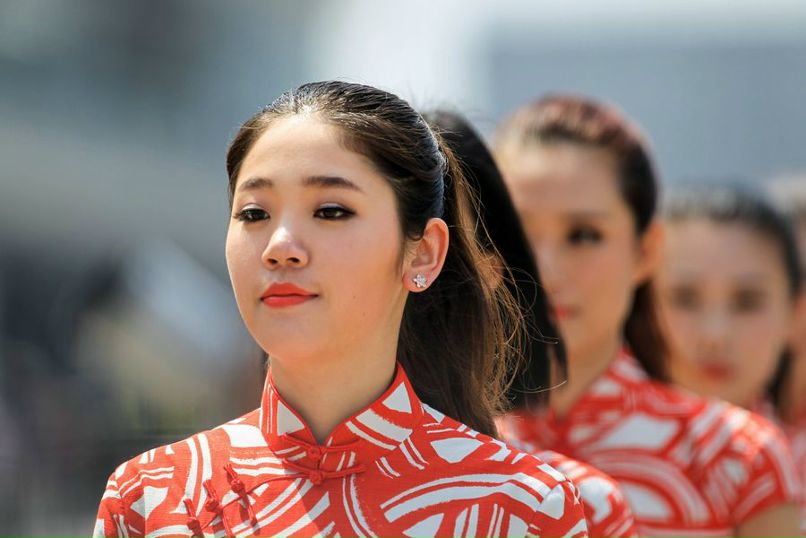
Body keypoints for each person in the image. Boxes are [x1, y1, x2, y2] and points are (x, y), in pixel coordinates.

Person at [92, 81, 588, 538]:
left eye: (331, 211)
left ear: (423, 253)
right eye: (254, 213)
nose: (280, 247)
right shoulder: (149, 498)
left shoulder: (521, 508)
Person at [493, 95, 801, 537]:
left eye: (584, 235)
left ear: (646, 251)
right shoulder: (440, 449)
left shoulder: (737, 457)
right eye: (517, 234)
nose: (547, 270)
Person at [425, 108, 637, 538]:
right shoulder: (263, 478)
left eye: (583, 235)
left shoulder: (559, 502)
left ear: (491, 269)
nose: (550, 271)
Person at [655, 181, 806, 535]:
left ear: (796, 315)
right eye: (684, 298)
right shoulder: (547, 451)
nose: (715, 335)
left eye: (747, 302)